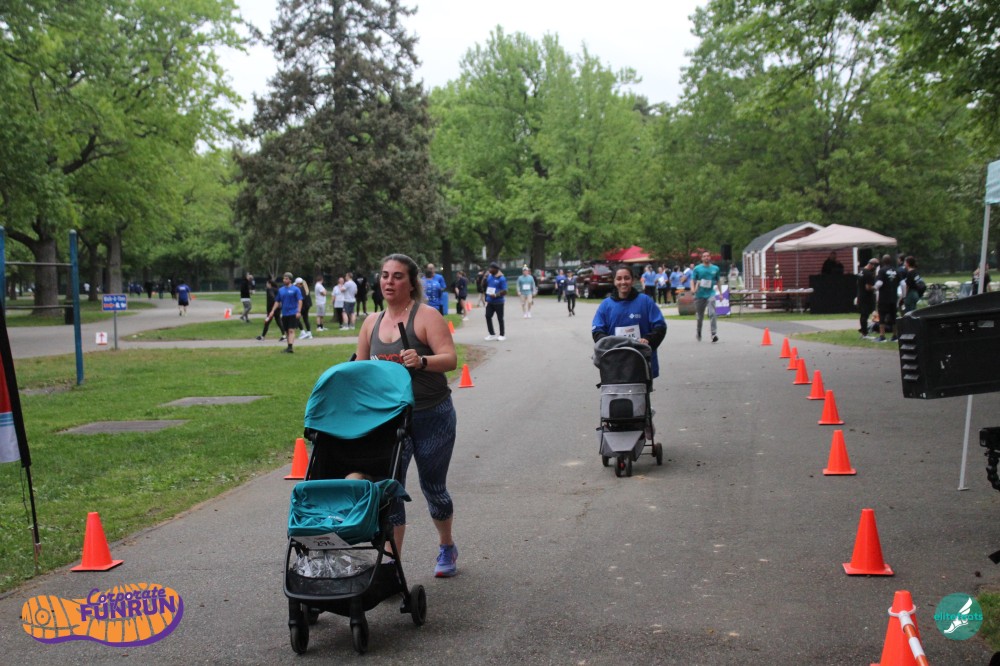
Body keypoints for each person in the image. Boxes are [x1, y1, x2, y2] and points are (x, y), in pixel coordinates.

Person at [356, 253, 459, 577]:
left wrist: (423, 361)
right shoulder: (371, 323)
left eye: (397, 276)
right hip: (389, 420)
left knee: (433, 487)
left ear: (412, 283)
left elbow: (450, 358)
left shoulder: (426, 316)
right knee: (390, 489)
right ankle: (393, 564)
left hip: (431, 414)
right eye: (385, 275)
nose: (389, 281)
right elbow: (360, 370)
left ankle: (446, 545)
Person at [591, 266, 667, 378]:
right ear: (614, 281)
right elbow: (597, 331)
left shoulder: (645, 301)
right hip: (614, 363)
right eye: (619, 278)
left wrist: (648, 340)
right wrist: (610, 344)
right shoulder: (606, 305)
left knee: (641, 388)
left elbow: (660, 326)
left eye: (626, 278)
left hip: (642, 362)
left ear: (633, 280)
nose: (623, 282)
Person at [268, 272, 302, 353]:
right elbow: (277, 301)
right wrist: (272, 311)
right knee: (286, 331)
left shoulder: (296, 289)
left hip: (293, 313)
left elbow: (300, 301)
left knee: (291, 330)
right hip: (285, 313)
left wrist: (298, 311)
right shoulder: (281, 290)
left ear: (290, 280)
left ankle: (290, 347)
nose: (284, 280)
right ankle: (288, 347)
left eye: (286, 279)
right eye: (284, 278)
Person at [692, 251, 721, 342]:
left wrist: (720, 293)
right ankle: (699, 331)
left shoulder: (715, 268)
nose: (706, 257)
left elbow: (718, 281)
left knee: (712, 313)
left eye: (708, 256)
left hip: (711, 293)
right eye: (704, 256)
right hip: (700, 295)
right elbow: (692, 280)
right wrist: (693, 289)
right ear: (702, 258)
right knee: (700, 317)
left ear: (710, 257)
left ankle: (713, 334)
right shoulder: (697, 268)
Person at [875, 254, 899, 342]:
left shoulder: (882, 271)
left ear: (883, 261)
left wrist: (874, 288)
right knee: (893, 317)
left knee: (882, 316)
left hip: (884, 298)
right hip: (893, 297)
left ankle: (882, 336)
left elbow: (879, 283)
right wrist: (902, 296)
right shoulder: (896, 271)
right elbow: (902, 283)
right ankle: (895, 335)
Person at [483, 262, 507, 341]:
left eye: (491, 268)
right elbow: (484, 286)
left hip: (498, 301)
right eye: (489, 268)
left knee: (500, 318)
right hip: (490, 301)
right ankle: (492, 334)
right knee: (487, 316)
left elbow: (505, 291)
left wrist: (496, 295)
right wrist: (484, 277)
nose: (489, 270)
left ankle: (502, 335)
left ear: (496, 269)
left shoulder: (501, 278)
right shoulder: (489, 277)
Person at [857, 257, 878, 337]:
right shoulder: (868, 274)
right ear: (872, 265)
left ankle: (863, 332)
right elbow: (868, 287)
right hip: (866, 297)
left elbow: (858, 283)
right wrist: (875, 287)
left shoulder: (861, 271)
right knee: (865, 315)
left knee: (863, 315)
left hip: (860, 295)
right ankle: (864, 333)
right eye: (875, 266)